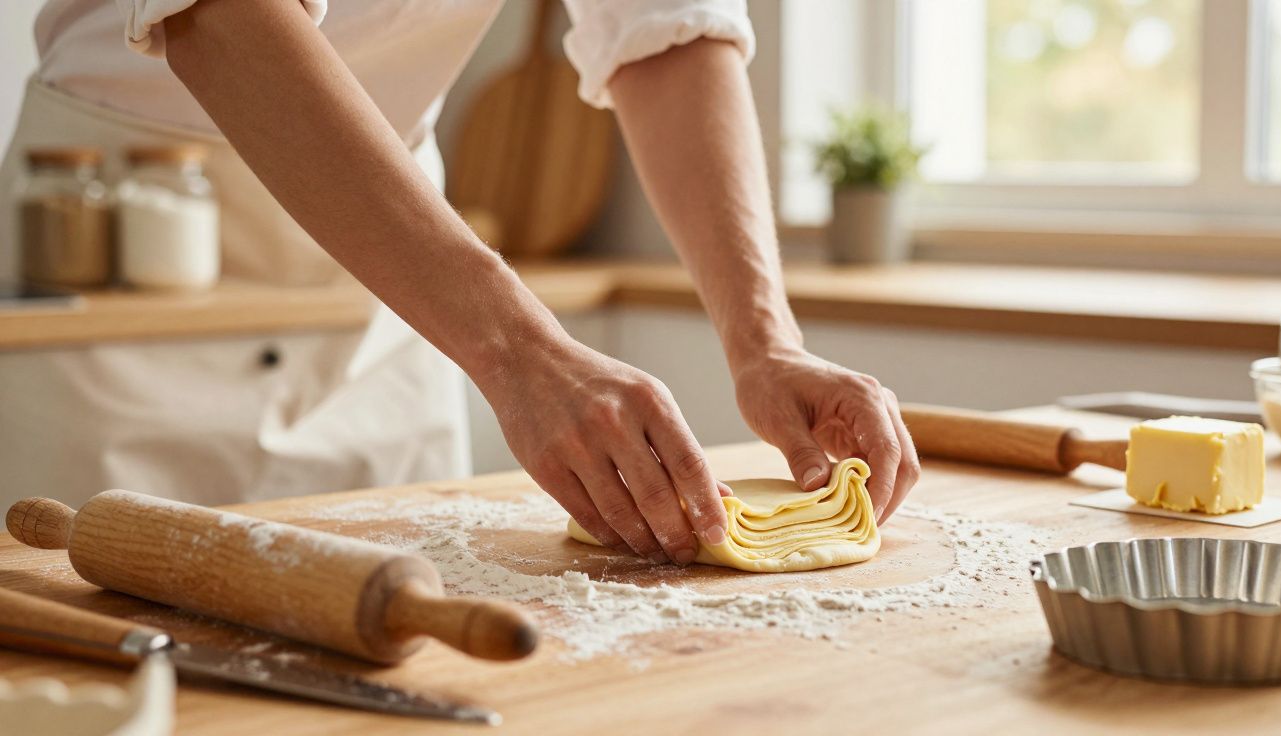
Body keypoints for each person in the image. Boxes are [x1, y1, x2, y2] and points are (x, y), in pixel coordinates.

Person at [0, 0, 919, 566]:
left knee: (405, 633)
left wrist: (765, 342)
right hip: (113, 251)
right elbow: (219, 18)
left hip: (395, 274)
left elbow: (666, 32)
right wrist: (520, 349)